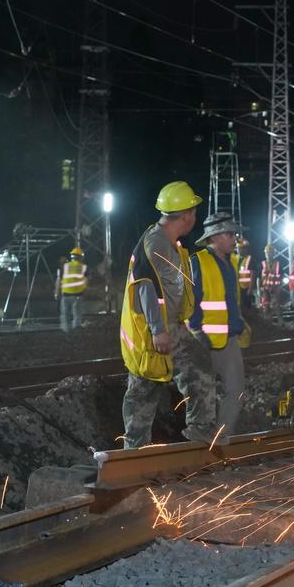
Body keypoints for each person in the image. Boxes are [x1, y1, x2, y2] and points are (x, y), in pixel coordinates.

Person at [119, 181, 217, 449]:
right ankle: (134, 451)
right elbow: (146, 287)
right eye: (193, 212)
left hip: (171, 325)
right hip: (153, 330)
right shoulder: (156, 244)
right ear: (186, 215)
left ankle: (199, 430)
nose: (194, 218)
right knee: (144, 388)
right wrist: (157, 330)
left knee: (198, 366)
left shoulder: (169, 242)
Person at [188, 212, 251, 439]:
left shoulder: (232, 262)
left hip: (230, 338)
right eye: (229, 234)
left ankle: (220, 437)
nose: (235, 238)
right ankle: (198, 432)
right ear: (214, 237)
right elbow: (190, 300)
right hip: (205, 339)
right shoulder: (198, 261)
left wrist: (239, 323)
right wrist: (196, 330)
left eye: (234, 234)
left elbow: (230, 300)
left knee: (236, 390)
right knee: (202, 391)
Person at [56, 246, 88, 333]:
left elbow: (59, 280)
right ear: (81, 257)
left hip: (65, 295)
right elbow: (86, 280)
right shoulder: (83, 267)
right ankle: (76, 334)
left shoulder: (65, 266)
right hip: (77, 295)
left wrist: (57, 292)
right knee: (77, 316)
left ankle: (66, 333)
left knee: (65, 316)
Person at [260, 244, 281, 318]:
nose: (268, 254)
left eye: (270, 252)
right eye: (267, 253)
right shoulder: (262, 264)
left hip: (275, 288)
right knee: (266, 305)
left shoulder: (278, 264)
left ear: (273, 253)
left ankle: (280, 321)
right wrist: (259, 289)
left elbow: (281, 276)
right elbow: (259, 277)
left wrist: (279, 288)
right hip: (265, 289)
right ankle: (267, 321)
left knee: (276, 305)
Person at [233, 238, 253, 307]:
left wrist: (250, 289)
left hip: (246, 288)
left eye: (242, 248)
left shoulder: (249, 259)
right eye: (238, 248)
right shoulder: (235, 258)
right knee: (238, 305)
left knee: (246, 307)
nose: (239, 250)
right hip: (237, 287)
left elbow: (253, 274)